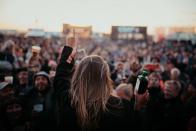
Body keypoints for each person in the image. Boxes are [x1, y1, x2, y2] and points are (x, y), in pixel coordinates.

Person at [53, 37, 137, 131]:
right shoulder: (120, 106)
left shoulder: (68, 100)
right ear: (106, 78)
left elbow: (61, 77)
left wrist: (69, 50)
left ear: (78, 75)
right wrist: (139, 106)